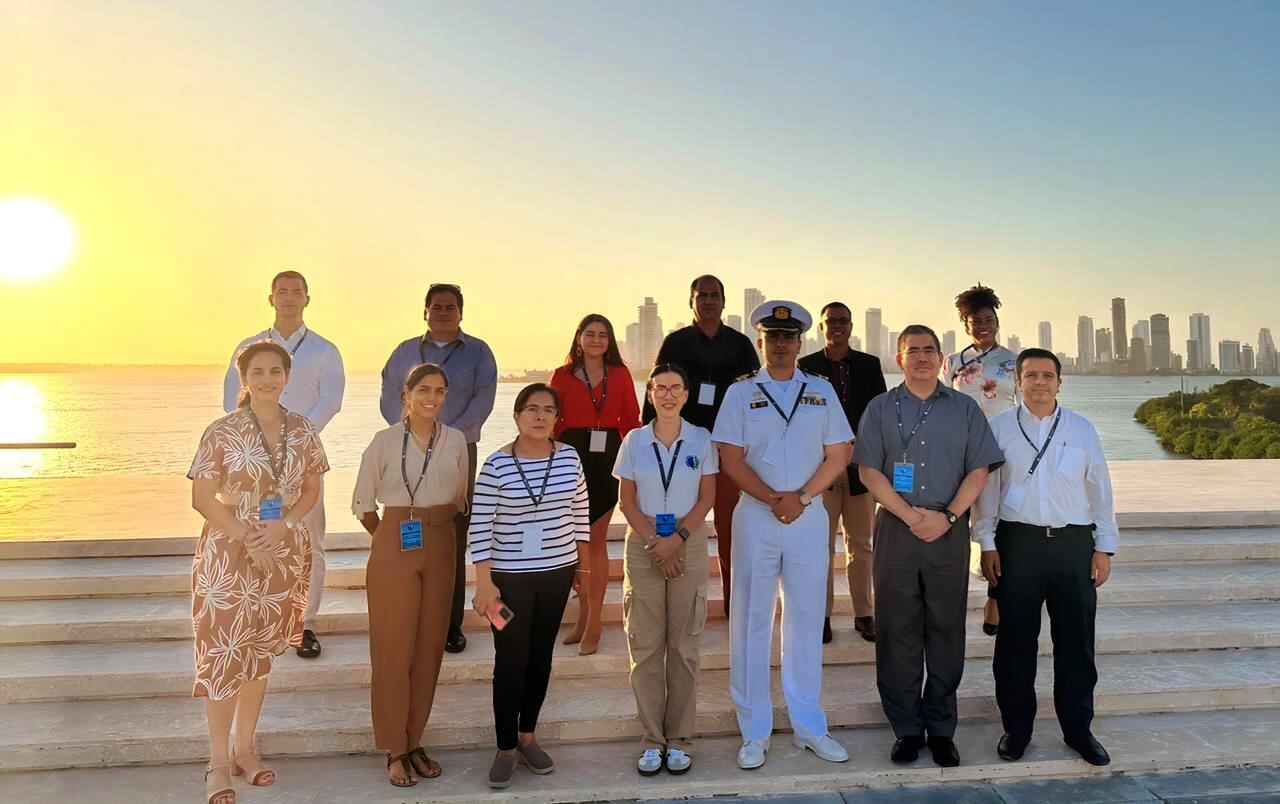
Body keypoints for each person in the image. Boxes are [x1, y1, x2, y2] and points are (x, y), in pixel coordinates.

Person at [713, 300, 854, 771]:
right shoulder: (739, 394)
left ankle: (810, 727)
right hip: (756, 515)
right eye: (772, 337)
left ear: (800, 343)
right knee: (751, 621)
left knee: (806, 619)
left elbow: (839, 453)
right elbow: (730, 459)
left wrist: (802, 497)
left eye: (788, 337)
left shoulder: (820, 391)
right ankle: (754, 731)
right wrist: (776, 498)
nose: (780, 344)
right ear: (760, 342)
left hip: (809, 516)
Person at [855, 325, 1004, 768]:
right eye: (912, 350)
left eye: (929, 350)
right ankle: (905, 729)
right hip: (897, 530)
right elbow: (869, 471)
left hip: (947, 530)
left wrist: (949, 517)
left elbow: (979, 470)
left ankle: (941, 728)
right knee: (896, 630)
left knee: (945, 628)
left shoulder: (965, 408)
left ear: (942, 360)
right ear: (898, 359)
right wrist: (909, 515)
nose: (921, 357)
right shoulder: (880, 408)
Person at [193, 341, 328, 804]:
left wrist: (285, 523)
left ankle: (245, 749)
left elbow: (311, 489)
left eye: (275, 370)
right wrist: (246, 535)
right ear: (243, 378)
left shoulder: (305, 430)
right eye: (258, 372)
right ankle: (217, 762)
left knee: (258, 655)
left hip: (282, 546)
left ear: (287, 376)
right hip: (229, 551)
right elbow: (203, 499)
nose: (267, 378)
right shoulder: (222, 431)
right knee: (223, 655)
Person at [972, 348, 1118, 767]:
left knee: (1076, 645)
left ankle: (1078, 731)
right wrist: (986, 544)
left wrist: (1104, 547)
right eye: (1031, 375)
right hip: (1017, 545)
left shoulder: (1082, 429)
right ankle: (1016, 731)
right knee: (1015, 646)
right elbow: (987, 495)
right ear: (1017, 382)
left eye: (1047, 375)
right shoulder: (998, 428)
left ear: (1059, 382)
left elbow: (1100, 491)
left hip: (1073, 546)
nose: (1039, 382)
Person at [351, 364, 470, 787]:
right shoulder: (384, 442)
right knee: (392, 648)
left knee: (429, 648)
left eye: (440, 390)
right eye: (424, 389)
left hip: (441, 542)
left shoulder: (456, 441)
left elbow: (461, 499)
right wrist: (391, 539)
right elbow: (364, 505)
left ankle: (414, 739)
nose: (432, 398)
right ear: (407, 394)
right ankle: (393, 748)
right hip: (395, 543)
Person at [470, 384, 591, 789]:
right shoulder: (496, 465)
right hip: (509, 580)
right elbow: (479, 526)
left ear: (558, 418)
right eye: (532, 409)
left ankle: (528, 736)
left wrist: (582, 570)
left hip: (556, 574)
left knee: (541, 657)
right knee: (510, 659)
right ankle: (505, 746)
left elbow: (580, 512)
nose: (540, 416)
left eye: (548, 410)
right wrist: (484, 584)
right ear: (518, 415)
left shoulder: (569, 457)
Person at [222, 270, 344, 659]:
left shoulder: (325, 350)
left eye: (297, 292)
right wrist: (262, 439)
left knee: (310, 542)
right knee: (255, 535)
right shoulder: (248, 347)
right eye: (282, 292)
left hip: (303, 460)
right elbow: (232, 400)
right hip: (255, 463)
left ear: (307, 298)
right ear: (270, 298)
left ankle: (304, 623)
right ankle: (258, 616)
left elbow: (332, 399)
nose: (289, 298)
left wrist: (295, 438)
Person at [380, 283, 497, 654]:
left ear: (461, 312)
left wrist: (447, 439)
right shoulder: (404, 352)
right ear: (425, 311)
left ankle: (450, 625)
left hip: (459, 452)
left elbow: (484, 399)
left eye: (450, 307)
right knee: (407, 531)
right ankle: (410, 619)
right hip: (408, 450)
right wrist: (415, 433)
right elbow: (389, 395)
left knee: (451, 536)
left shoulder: (478, 352)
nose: (443, 312)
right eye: (437, 306)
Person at [615, 364, 719, 776]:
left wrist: (677, 539)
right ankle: (651, 740)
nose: (668, 395)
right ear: (650, 394)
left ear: (687, 395)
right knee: (644, 649)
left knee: (684, 646)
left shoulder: (701, 438)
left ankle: (679, 739)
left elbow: (707, 496)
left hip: (687, 544)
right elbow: (626, 500)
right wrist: (656, 543)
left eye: (676, 388)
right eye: (660, 388)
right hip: (644, 548)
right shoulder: (634, 441)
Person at [645, 275, 760, 616]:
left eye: (714, 295)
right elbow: (655, 391)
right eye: (702, 296)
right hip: (683, 449)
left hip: (729, 452)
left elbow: (758, 399)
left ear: (724, 302)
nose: (708, 301)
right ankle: (676, 606)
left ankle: (733, 606)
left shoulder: (741, 345)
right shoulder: (676, 343)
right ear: (691, 301)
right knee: (677, 524)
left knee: (731, 530)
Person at [550, 314, 641, 655]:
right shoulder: (561, 376)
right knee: (576, 544)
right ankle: (582, 615)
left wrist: (637, 464)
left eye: (604, 334)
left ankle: (595, 623)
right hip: (569, 459)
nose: (597, 340)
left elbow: (631, 421)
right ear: (578, 338)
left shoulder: (619, 374)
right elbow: (549, 419)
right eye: (590, 334)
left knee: (595, 541)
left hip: (607, 461)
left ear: (610, 341)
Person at [798, 301, 886, 644]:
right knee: (819, 547)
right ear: (821, 327)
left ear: (851, 326)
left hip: (860, 469)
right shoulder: (805, 367)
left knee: (861, 545)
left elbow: (878, 416)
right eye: (830, 321)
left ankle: (865, 614)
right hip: (820, 471)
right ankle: (821, 616)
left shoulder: (869, 365)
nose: (837, 326)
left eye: (843, 321)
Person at [945, 284, 1018, 636]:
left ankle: (995, 596)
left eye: (989, 319)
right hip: (961, 452)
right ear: (966, 324)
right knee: (957, 519)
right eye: (976, 321)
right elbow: (941, 405)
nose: (983, 325)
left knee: (999, 525)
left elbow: (1025, 407)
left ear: (997, 321)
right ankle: (952, 594)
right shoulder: (953, 362)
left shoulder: (1014, 361)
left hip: (1004, 452)